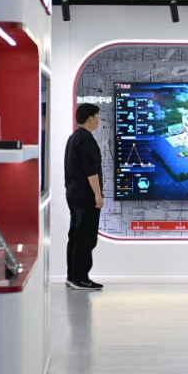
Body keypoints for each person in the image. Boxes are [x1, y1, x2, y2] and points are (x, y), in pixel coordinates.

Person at [64, 103, 105, 290]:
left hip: (74, 195)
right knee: (86, 238)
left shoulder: (74, 137)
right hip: (86, 197)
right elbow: (91, 172)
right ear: (90, 119)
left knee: (75, 236)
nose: (99, 120)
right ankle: (80, 278)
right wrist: (98, 195)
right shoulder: (87, 140)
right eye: (97, 116)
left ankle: (72, 276)